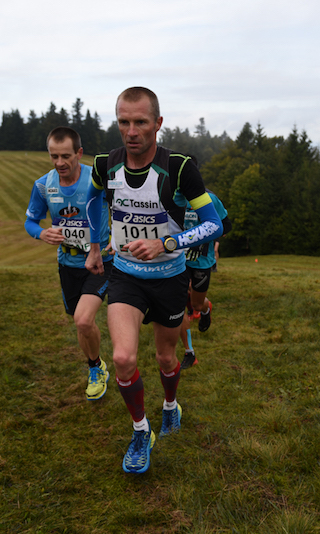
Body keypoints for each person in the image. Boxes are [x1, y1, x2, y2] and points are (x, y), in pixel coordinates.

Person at [84, 87, 223, 474]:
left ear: (157, 124)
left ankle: (169, 404)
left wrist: (168, 243)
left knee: (165, 357)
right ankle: (141, 431)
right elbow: (93, 200)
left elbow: (213, 224)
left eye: (140, 122)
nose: (131, 131)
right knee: (124, 358)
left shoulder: (179, 168)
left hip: (170, 279)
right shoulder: (104, 164)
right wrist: (96, 246)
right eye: (124, 122)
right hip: (126, 276)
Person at [25, 126, 113, 401]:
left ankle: (96, 371)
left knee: (83, 319)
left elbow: (123, 208)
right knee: (80, 323)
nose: (60, 163)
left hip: (101, 261)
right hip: (68, 263)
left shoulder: (97, 179)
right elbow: (30, 221)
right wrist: (42, 233)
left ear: (79, 153)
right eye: (54, 156)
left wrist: (118, 238)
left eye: (66, 156)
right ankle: (96, 365)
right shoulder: (43, 185)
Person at [179, 188, 231, 369]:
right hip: (178, 260)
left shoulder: (208, 198)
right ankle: (189, 352)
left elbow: (226, 227)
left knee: (196, 305)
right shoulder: (170, 195)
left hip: (202, 261)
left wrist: (201, 239)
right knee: (178, 304)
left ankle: (206, 308)